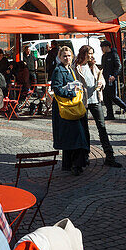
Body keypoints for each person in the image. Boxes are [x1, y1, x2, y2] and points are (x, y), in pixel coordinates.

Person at [74, 47, 121, 168]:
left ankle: (109, 156)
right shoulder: (76, 67)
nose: (91, 56)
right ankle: (85, 157)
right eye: (89, 53)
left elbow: (101, 79)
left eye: (92, 54)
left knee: (102, 127)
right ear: (83, 54)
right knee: (84, 130)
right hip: (83, 102)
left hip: (95, 100)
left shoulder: (93, 66)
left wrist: (101, 84)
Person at [51, 47, 89, 176]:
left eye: (69, 56)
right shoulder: (58, 70)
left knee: (72, 136)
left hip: (71, 106)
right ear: (60, 57)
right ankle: (75, 165)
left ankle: (69, 164)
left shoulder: (70, 69)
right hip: (64, 108)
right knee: (76, 136)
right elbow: (56, 89)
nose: (67, 58)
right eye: (64, 56)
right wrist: (72, 92)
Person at [101, 40, 126, 119]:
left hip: (112, 79)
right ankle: (110, 114)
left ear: (107, 47)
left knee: (113, 96)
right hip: (105, 79)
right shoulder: (104, 56)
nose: (102, 49)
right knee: (106, 98)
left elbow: (119, 66)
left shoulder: (114, 55)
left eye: (103, 47)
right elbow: (103, 68)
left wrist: (114, 76)